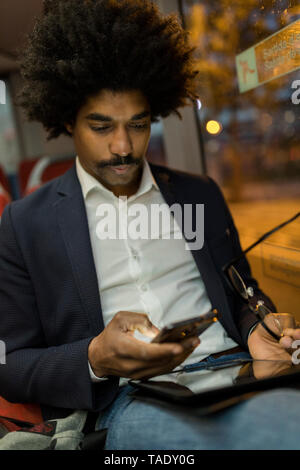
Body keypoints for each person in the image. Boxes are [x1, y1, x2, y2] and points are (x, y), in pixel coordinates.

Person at [0, 0, 299, 450]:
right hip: (134, 398)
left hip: (236, 372)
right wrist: (94, 358)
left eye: (137, 125)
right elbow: (11, 365)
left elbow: (243, 294)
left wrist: (260, 329)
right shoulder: (25, 224)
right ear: (68, 121)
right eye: (101, 127)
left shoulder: (199, 195)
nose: (123, 146)